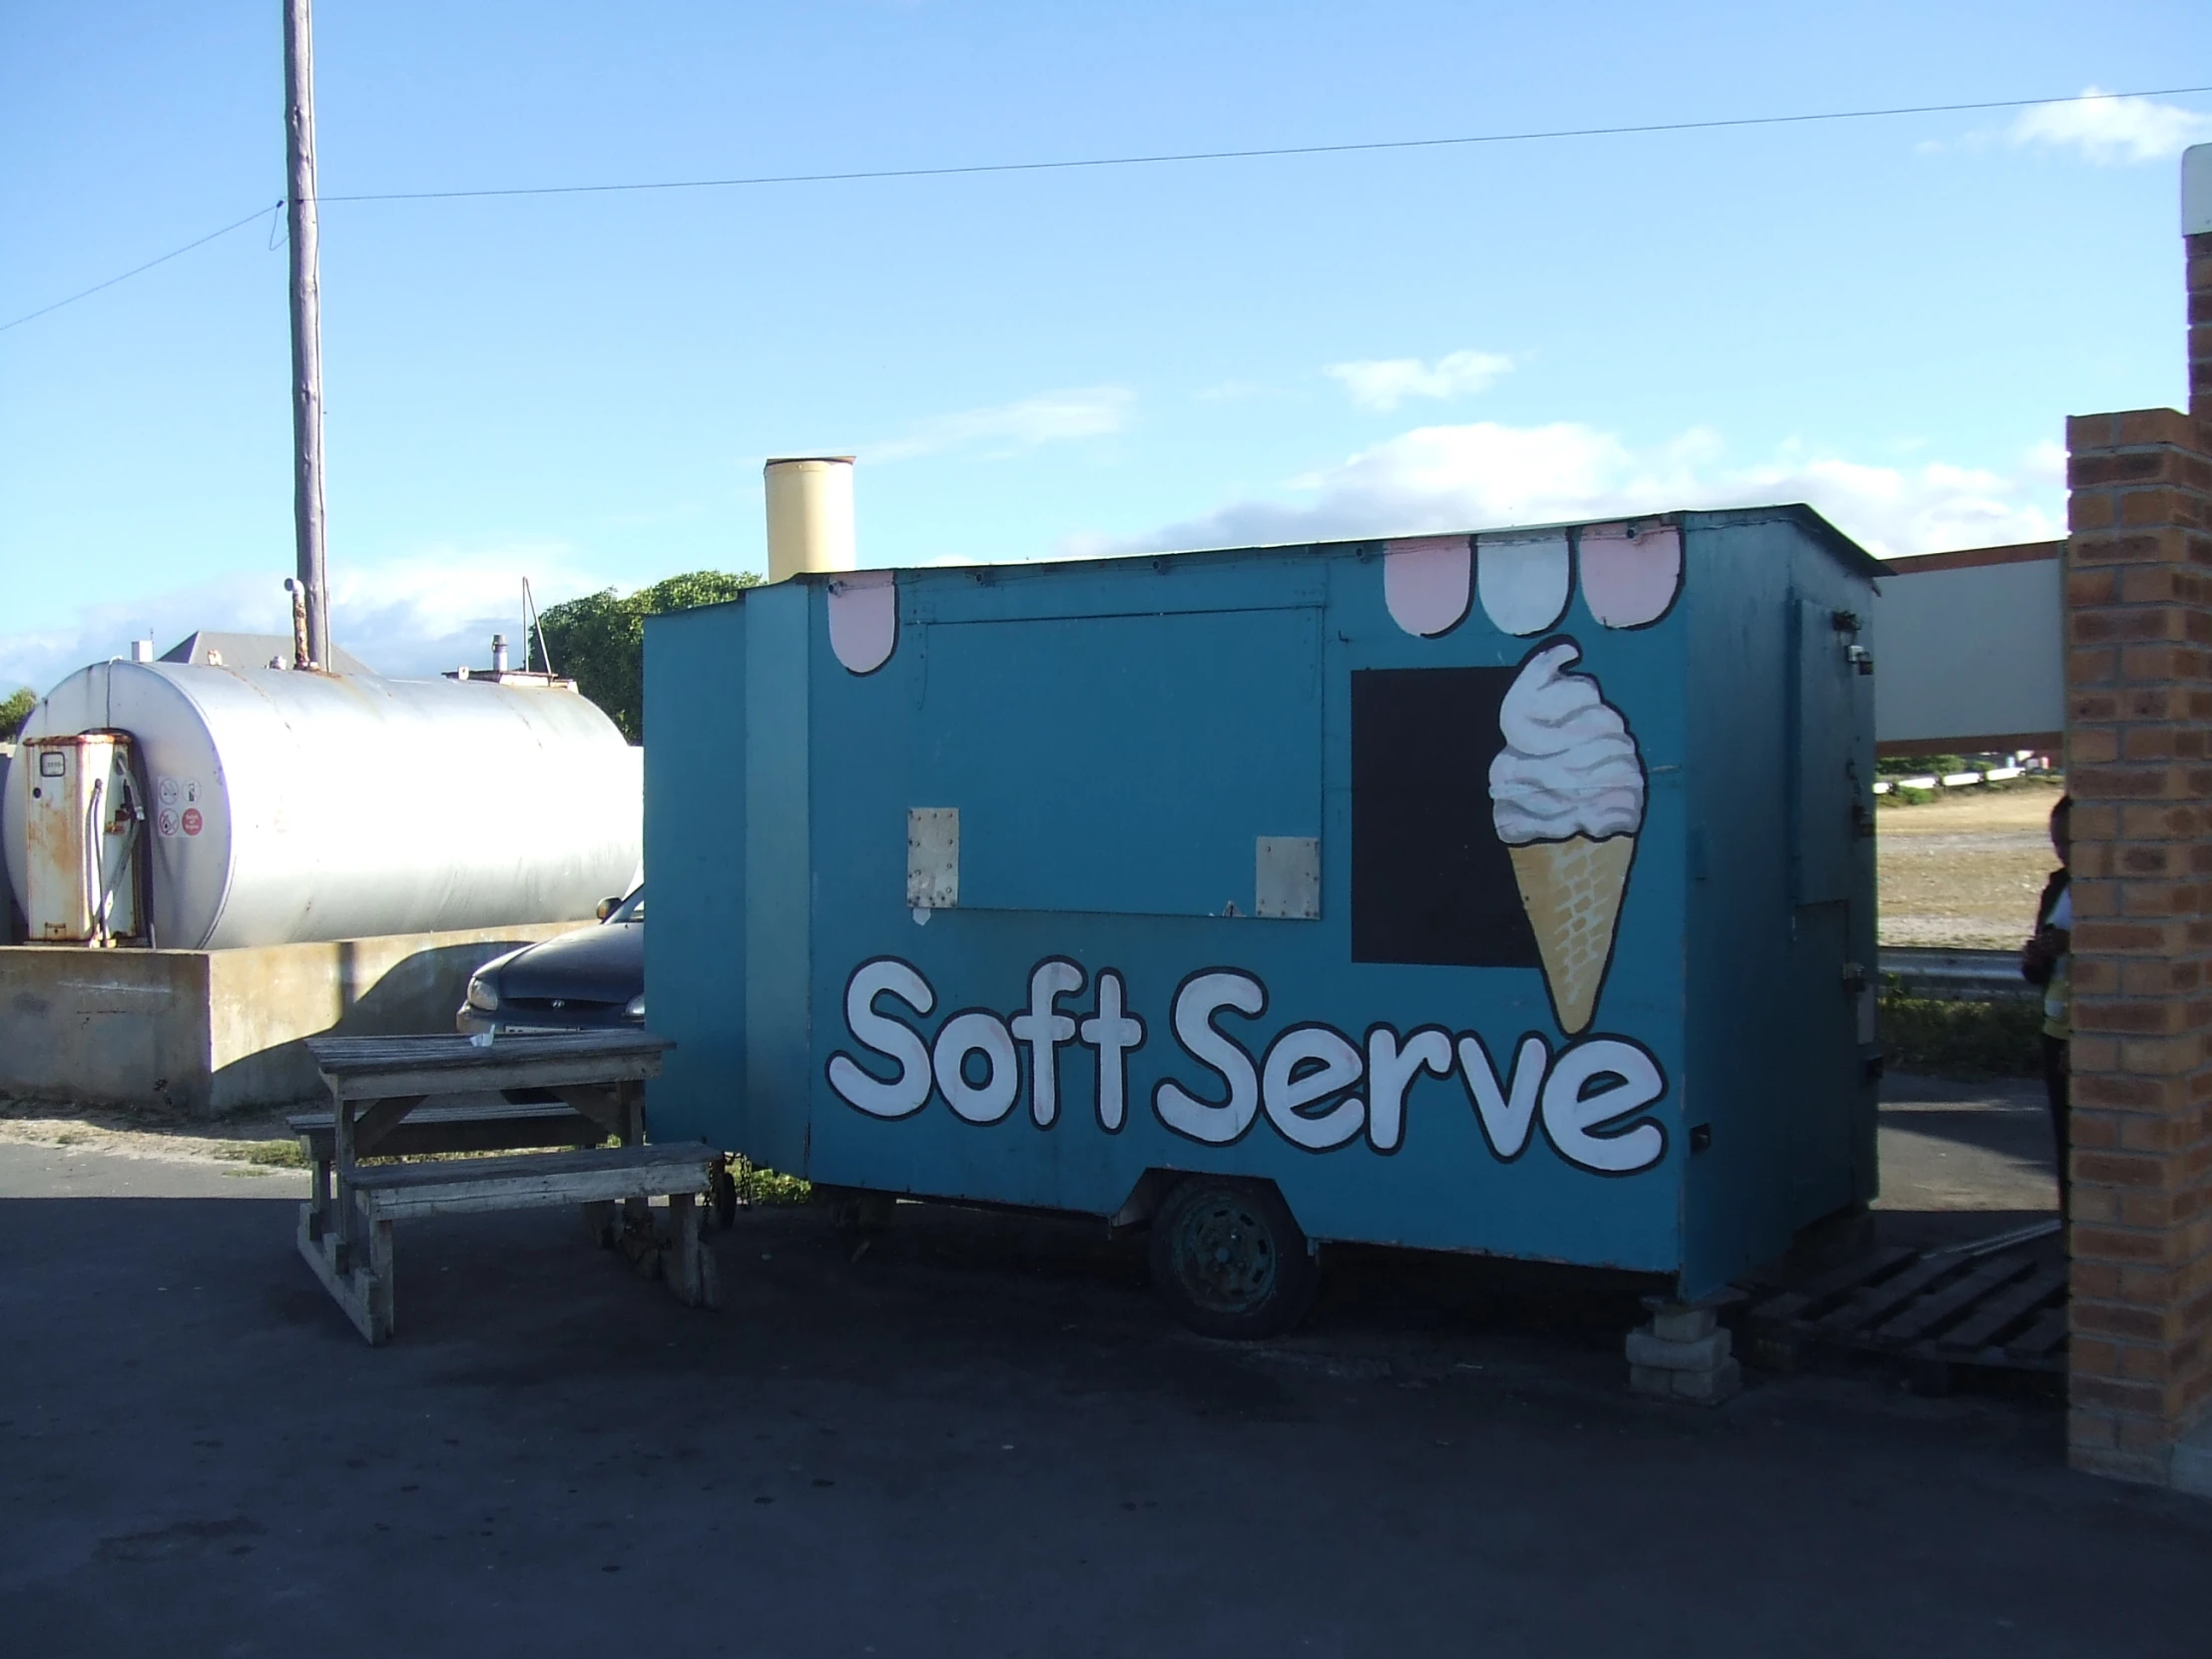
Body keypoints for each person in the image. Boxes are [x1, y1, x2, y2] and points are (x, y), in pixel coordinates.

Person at [2019, 795, 2072, 1215]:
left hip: (2089, 1034)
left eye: (2071, 842)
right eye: (2057, 842)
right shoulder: (2057, 888)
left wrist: (2075, 945)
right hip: (2055, 1030)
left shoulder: (2117, 893)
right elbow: (2040, 972)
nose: (2063, 851)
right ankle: (2072, 1236)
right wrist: (2035, 959)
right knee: (2066, 1142)